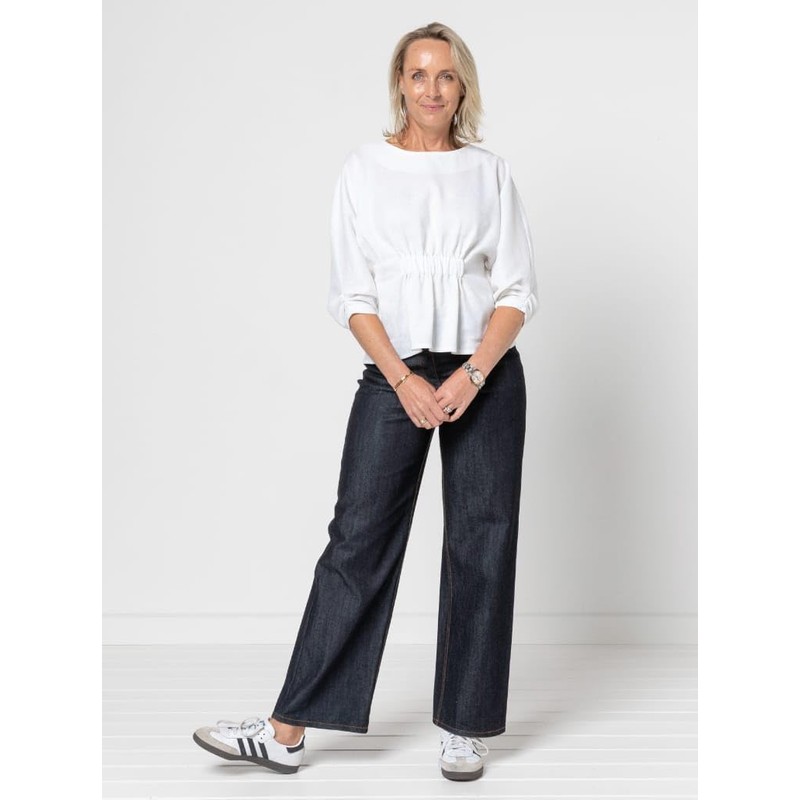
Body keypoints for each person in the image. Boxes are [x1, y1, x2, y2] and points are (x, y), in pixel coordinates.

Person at [192, 20, 539, 782]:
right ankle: (285, 731)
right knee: (357, 540)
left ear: (462, 86)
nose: (431, 89)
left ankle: (465, 727)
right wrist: (405, 380)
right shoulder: (364, 169)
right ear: (399, 85)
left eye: (445, 75)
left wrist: (472, 375)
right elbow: (353, 295)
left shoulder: (489, 173)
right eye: (418, 75)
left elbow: (517, 292)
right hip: (396, 370)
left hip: (484, 373)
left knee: (481, 543)